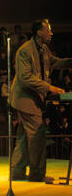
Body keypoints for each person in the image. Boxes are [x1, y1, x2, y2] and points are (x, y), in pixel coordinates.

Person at [11, 19, 72, 182]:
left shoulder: (44, 49)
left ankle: (17, 171)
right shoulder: (24, 51)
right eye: (48, 30)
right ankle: (37, 174)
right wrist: (49, 88)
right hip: (25, 99)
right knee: (37, 135)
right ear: (39, 32)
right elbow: (25, 78)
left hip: (31, 99)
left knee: (24, 136)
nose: (51, 33)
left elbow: (56, 62)